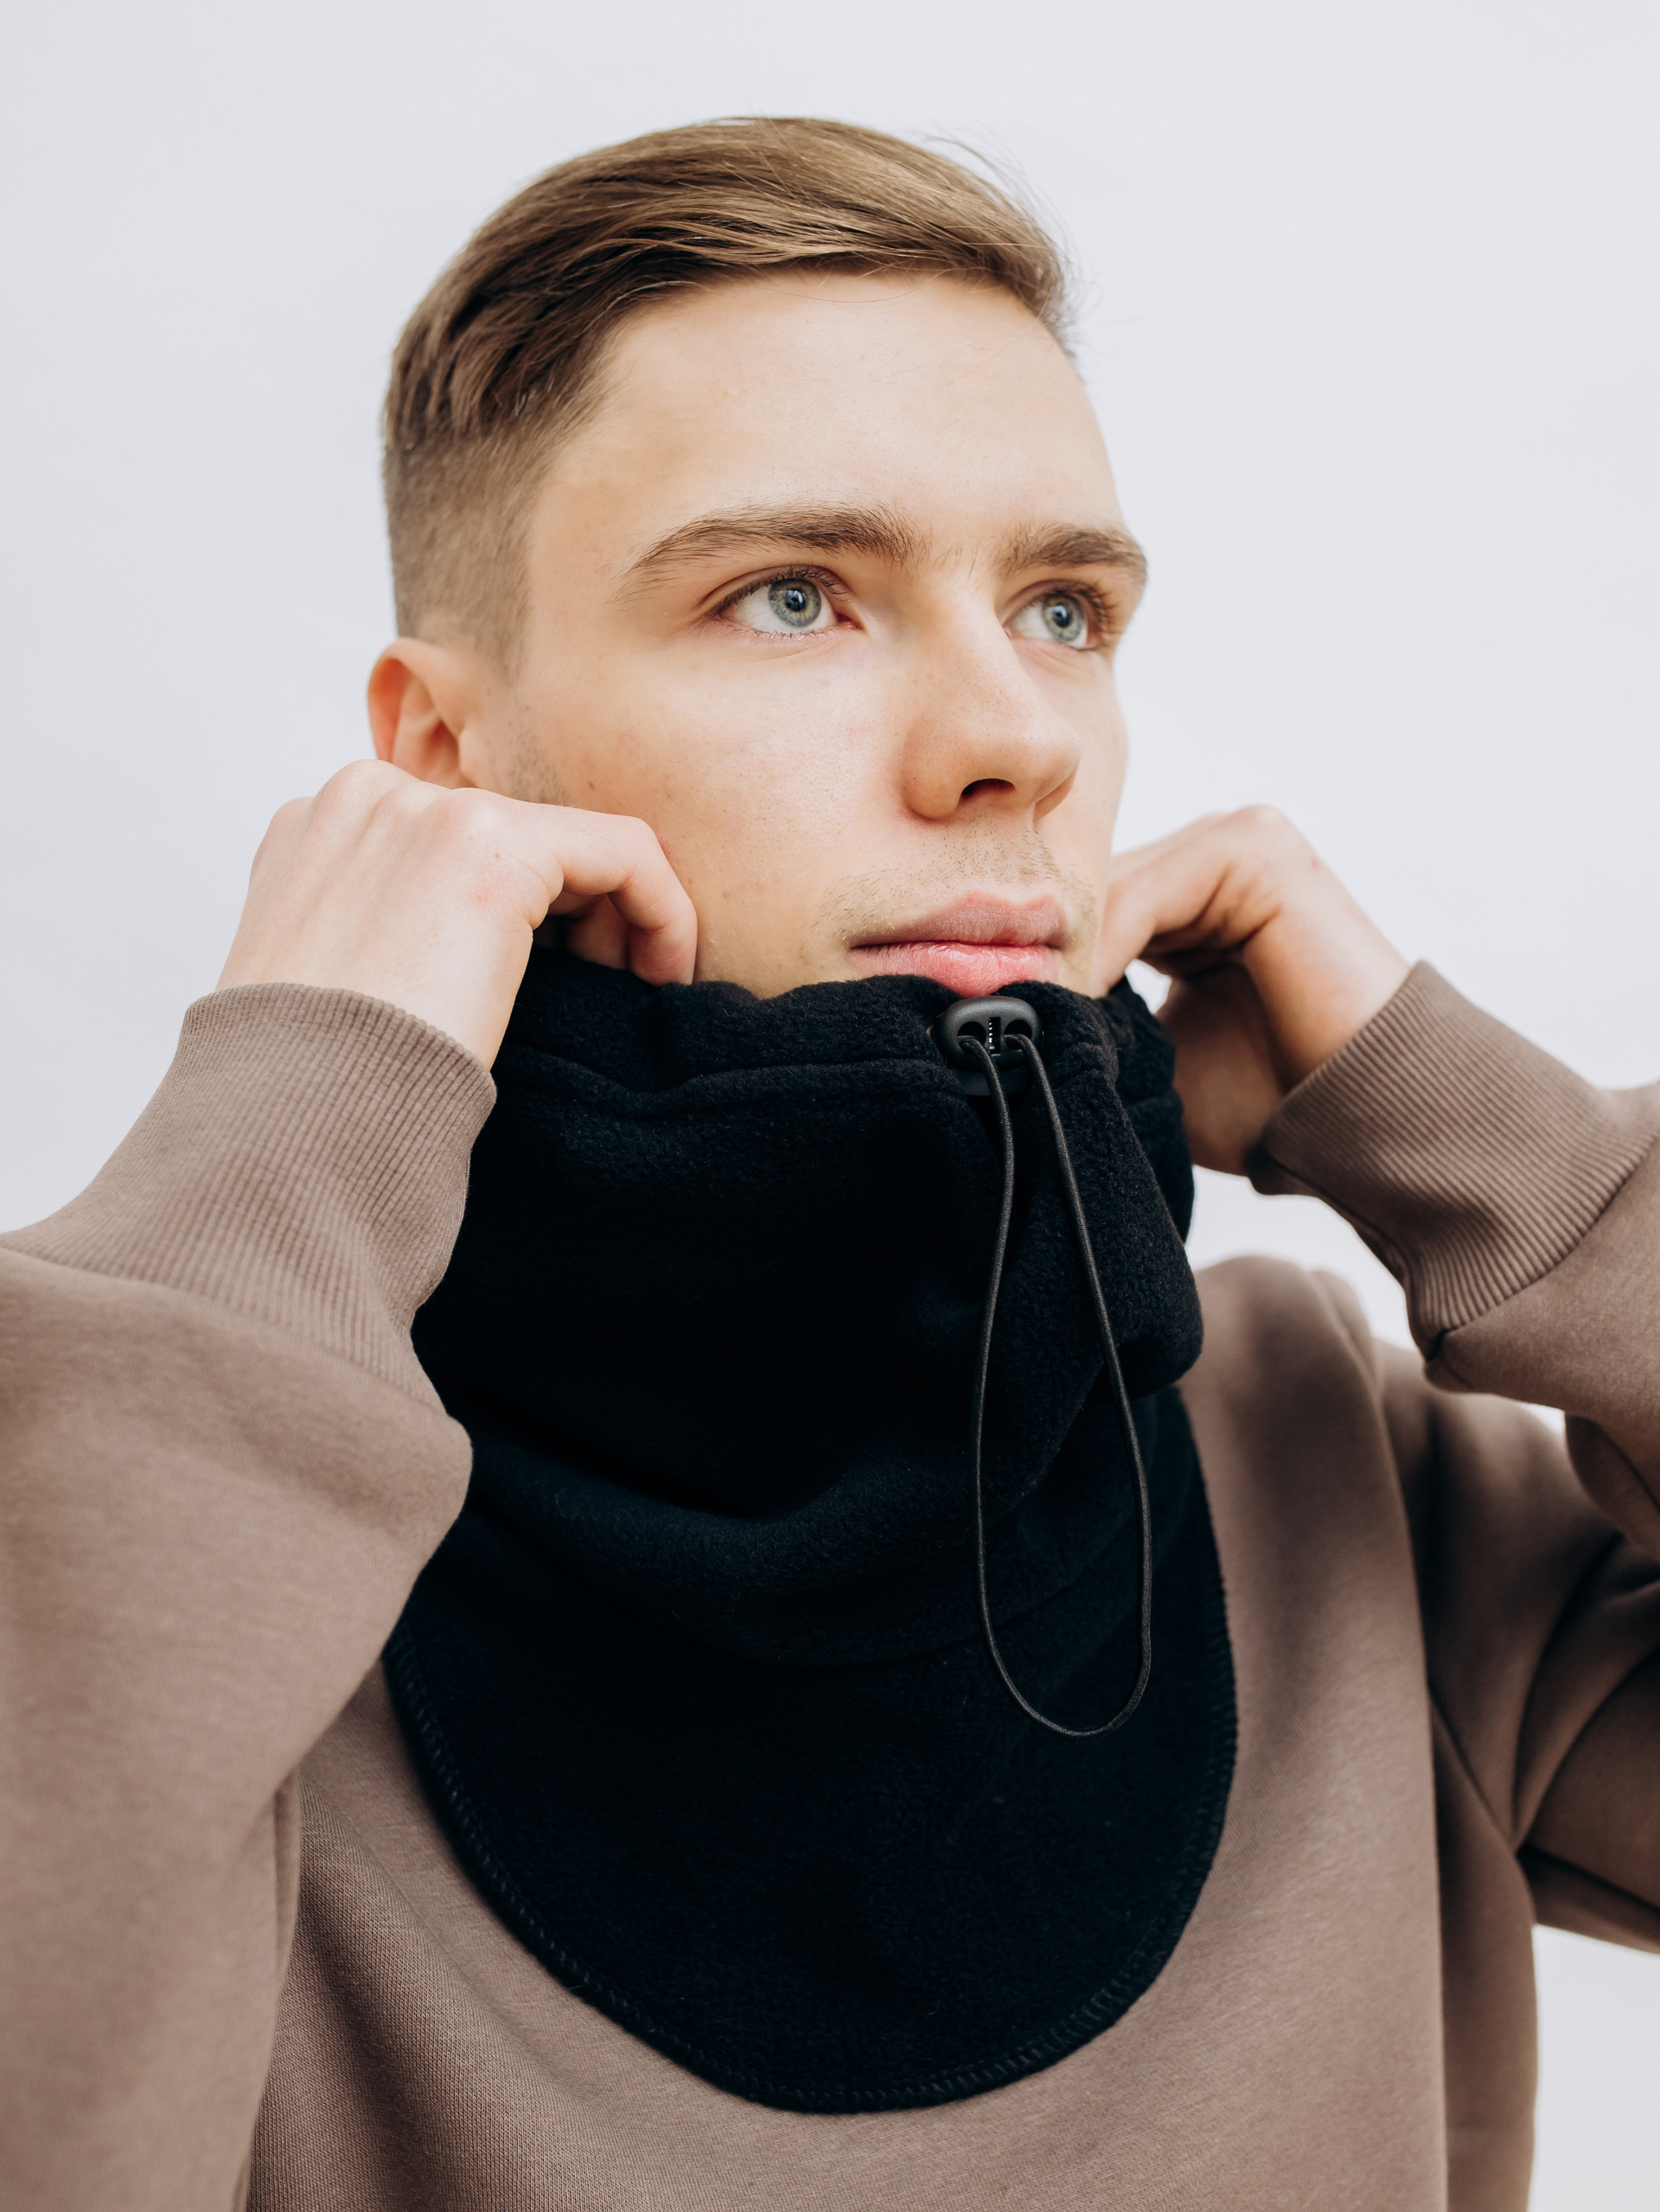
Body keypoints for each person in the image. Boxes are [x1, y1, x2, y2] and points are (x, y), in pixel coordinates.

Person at [2, 117, 1656, 2212]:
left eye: (1063, 607)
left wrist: (1519, 1163)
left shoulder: (1337, 1464)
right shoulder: (144, 1474)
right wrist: (294, 1118)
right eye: (794, 597)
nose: (1016, 738)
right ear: (442, 756)